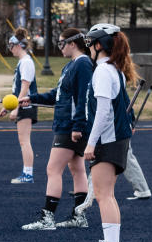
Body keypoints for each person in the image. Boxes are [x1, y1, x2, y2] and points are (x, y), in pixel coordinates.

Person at [18, 28, 94, 230]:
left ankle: (47, 219)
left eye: (61, 43)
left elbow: (83, 97)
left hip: (70, 126)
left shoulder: (83, 64)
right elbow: (57, 95)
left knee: (53, 169)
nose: (59, 47)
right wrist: (31, 99)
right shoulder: (70, 67)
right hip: (66, 124)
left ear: (72, 43)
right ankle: (79, 217)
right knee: (76, 169)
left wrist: (78, 126)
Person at [80, 23, 136, 242]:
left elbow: (103, 112)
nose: (89, 48)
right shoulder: (114, 69)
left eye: (91, 43)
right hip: (115, 138)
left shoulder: (103, 71)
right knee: (107, 194)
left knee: (104, 195)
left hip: (107, 140)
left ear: (99, 44)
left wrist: (91, 144)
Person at [7, 34, 38, 184]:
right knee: (23, 140)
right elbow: (18, 89)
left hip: (26, 105)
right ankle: (27, 173)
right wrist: (8, 108)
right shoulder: (23, 62)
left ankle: (28, 174)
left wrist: (16, 108)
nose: (10, 49)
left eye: (11, 46)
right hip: (22, 104)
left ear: (18, 45)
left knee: (24, 141)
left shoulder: (26, 62)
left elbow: (25, 87)